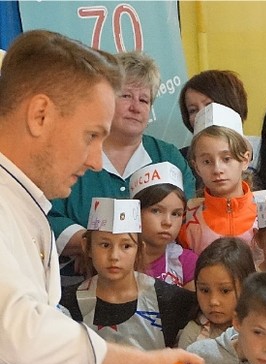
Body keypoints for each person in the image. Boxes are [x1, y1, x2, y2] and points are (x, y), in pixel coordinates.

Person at [0, 30, 203, 364]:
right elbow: (21, 333)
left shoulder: (26, 203)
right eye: (91, 135)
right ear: (40, 115)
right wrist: (140, 363)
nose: (96, 160)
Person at [60, 198, 197, 364]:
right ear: (87, 246)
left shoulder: (172, 301)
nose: (114, 256)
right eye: (104, 245)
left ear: (139, 249)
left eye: (126, 245)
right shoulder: (66, 303)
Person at [49, 50, 196, 280]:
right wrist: (87, 244)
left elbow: (186, 216)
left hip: (160, 279)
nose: (136, 107)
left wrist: (100, 246)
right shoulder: (73, 153)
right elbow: (45, 214)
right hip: (78, 279)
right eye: (126, 96)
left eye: (144, 100)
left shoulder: (168, 157)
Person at [178, 102, 266, 256]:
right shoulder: (190, 222)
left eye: (226, 159)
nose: (217, 169)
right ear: (196, 166)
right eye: (207, 161)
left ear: (245, 160)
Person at [177, 237, 256, 349]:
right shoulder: (193, 334)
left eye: (225, 291)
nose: (213, 301)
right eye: (205, 290)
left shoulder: (261, 331)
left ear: (247, 288)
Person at [131, 162, 198, 290]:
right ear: (136, 212)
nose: (167, 222)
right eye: (156, 211)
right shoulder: (117, 259)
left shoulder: (188, 263)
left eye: (176, 214)